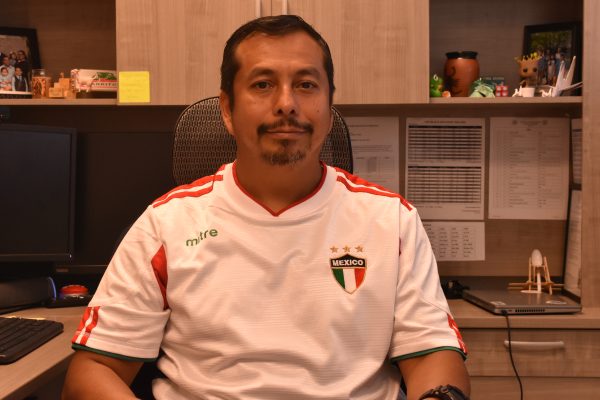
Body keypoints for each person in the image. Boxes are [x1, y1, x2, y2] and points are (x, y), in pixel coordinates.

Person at [62, 15, 470, 400]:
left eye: (307, 85)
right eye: (262, 85)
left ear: (329, 109)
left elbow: (432, 353)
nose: (286, 103)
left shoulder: (391, 221)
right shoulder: (166, 226)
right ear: (227, 109)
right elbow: (95, 367)